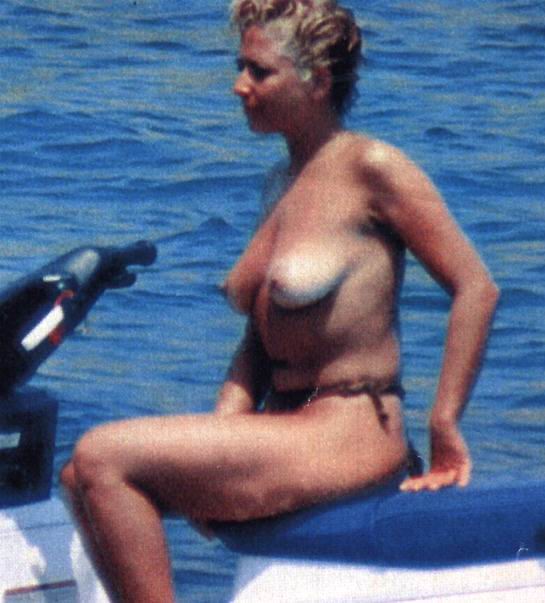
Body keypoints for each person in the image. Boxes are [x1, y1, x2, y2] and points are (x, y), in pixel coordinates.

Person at [60, 1, 499, 601]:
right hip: (286, 428)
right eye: (239, 67)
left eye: (259, 71)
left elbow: (476, 287)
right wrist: (221, 433)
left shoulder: (373, 168)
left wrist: (444, 424)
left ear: (317, 81)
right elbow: (261, 338)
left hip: (351, 432)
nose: (239, 85)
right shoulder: (281, 182)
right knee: (76, 477)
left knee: (102, 455)